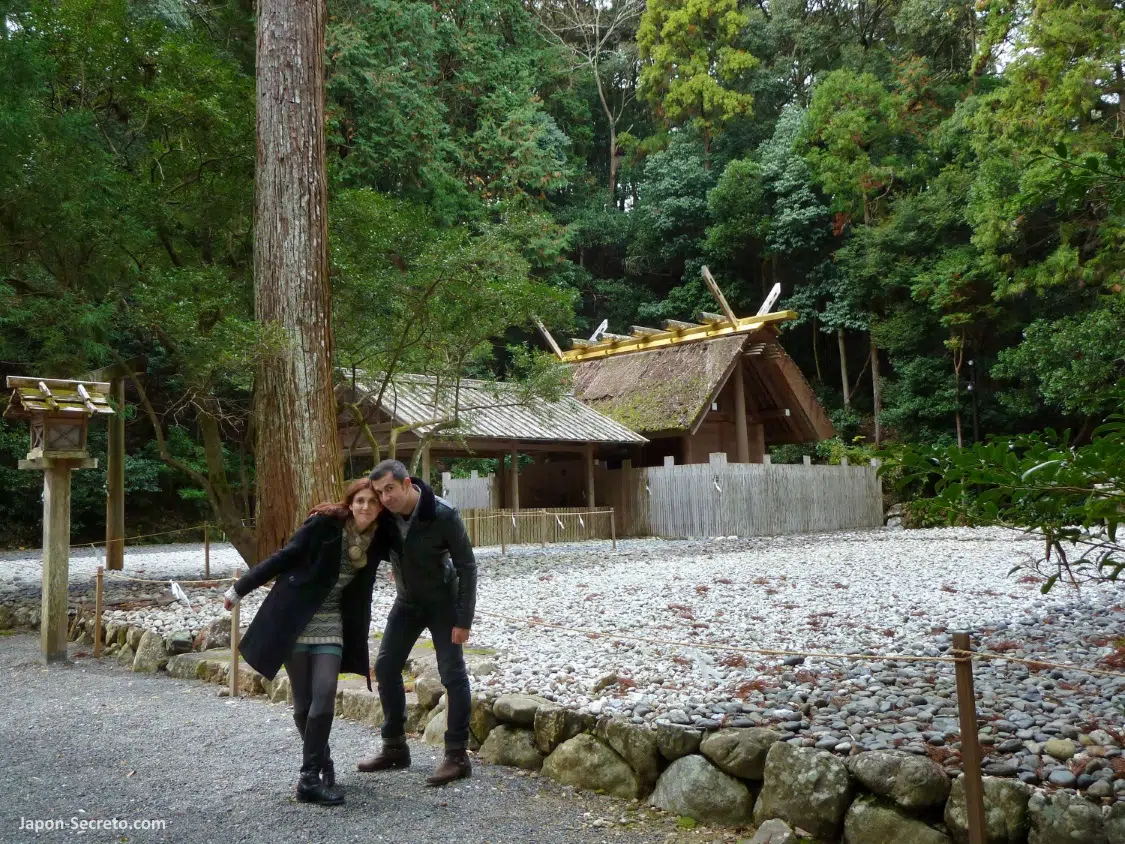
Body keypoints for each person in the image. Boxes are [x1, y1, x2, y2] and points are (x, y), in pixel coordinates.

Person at [223, 478, 387, 806]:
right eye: (359, 501)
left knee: (324, 692)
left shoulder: (379, 536)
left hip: (332, 623)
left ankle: (308, 778)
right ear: (350, 504)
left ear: (380, 506)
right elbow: (285, 556)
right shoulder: (324, 526)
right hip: (295, 619)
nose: (365, 507)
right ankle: (322, 761)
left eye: (372, 501)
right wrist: (240, 588)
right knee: (302, 704)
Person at [357, 459, 477, 786]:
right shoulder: (386, 517)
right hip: (407, 602)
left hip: (443, 602)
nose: (385, 497)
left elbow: (467, 566)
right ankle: (394, 747)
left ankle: (456, 756)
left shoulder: (443, 514)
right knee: (385, 667)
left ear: (407, 483)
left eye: (390, 489)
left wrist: (463, 619)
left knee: (452, 673)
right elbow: (366, 547)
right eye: (379, 492)